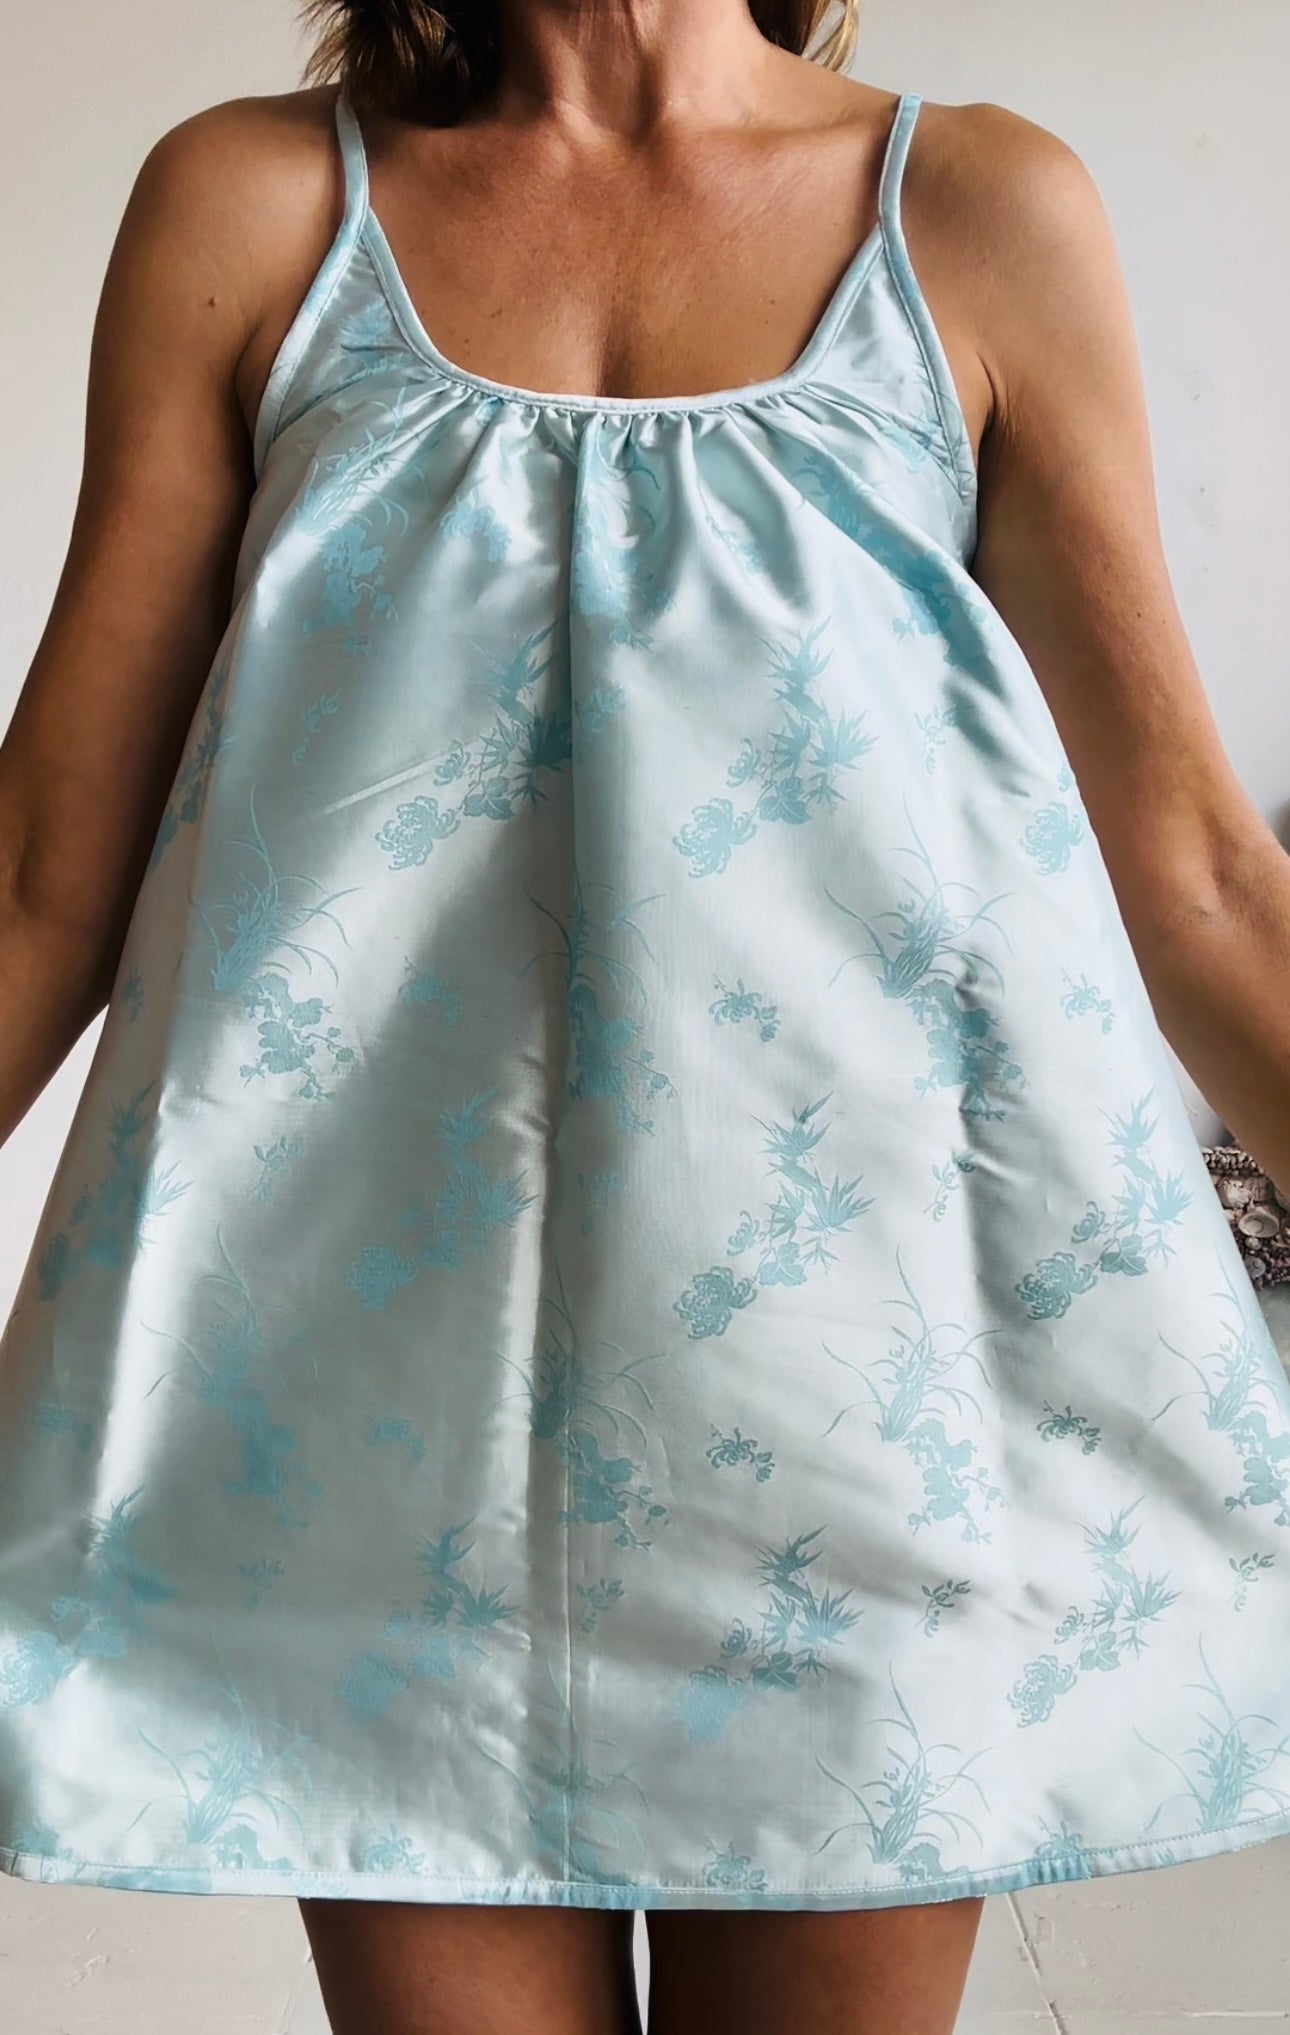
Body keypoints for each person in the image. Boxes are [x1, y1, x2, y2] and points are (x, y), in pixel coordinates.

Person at [3, 2, 1290, 2031]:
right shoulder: (251, 209)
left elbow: (1201, 879)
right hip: (366, 1422)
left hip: (864, 1422)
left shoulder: (975, 212)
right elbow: (39, 875)